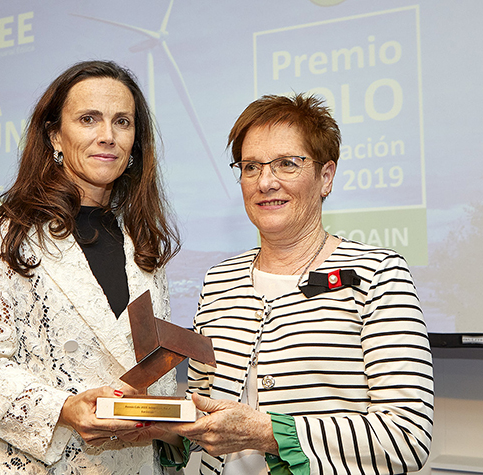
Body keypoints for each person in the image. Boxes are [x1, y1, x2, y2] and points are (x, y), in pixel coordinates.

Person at [160, 94, 433, 475]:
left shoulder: (378, 274)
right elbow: (204, 415)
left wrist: (268, 433)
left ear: (326, 177)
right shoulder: (219, 281)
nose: (266, 181)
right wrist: (150, 430)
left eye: (287, 164)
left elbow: (408, 437)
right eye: (251, 166)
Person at [0, 60, 183, 475]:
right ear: (55, 134)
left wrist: (166, 425)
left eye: (122, 122)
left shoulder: (143, 242)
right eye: (88, 119)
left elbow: (152, 368)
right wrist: (65, 409)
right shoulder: (4, 235)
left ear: (135, 142)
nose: (107, 136)